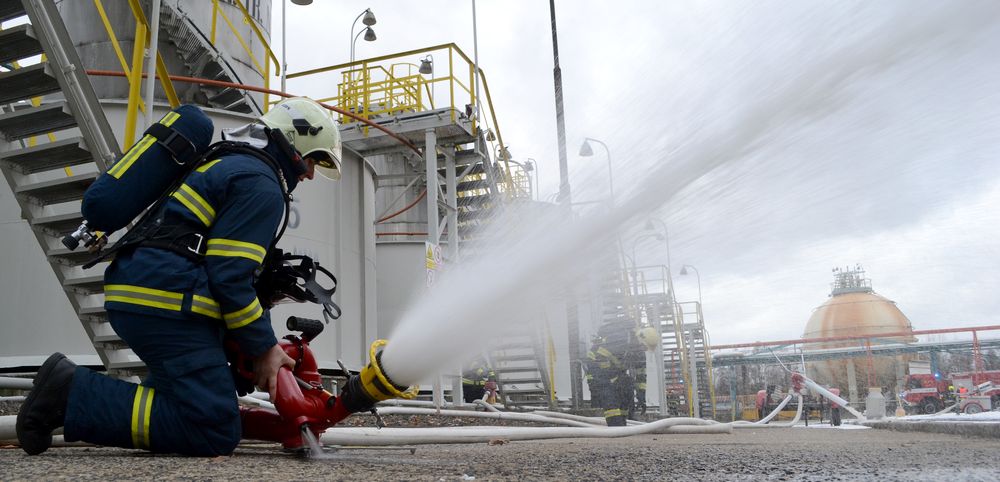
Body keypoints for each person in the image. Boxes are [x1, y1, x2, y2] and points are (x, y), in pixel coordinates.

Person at [16, 97, 342, 456]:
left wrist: (246, 344)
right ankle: (68, 392)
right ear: (294, 142)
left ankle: (75, 398)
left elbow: (225, 268)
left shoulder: (227, 162)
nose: (310, 174)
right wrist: (264, 349)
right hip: (167, 301)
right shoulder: (261, 184)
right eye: (312, 160)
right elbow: (231, 276)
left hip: (146, 291)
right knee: (213, 427)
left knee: (178, 401)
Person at [586, 321, 658, 426]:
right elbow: (600, 356)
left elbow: (641, 376)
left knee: (627, 385)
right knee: (610, 396)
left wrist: (641, 397)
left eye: (645, 349)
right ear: (639, 339)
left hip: (614, 372)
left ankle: (624, 421)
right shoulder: (620, 340)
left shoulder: (639, 353)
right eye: (643, 346)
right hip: (596, 369)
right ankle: (615, 426)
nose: (643, 350)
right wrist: (612, 377)